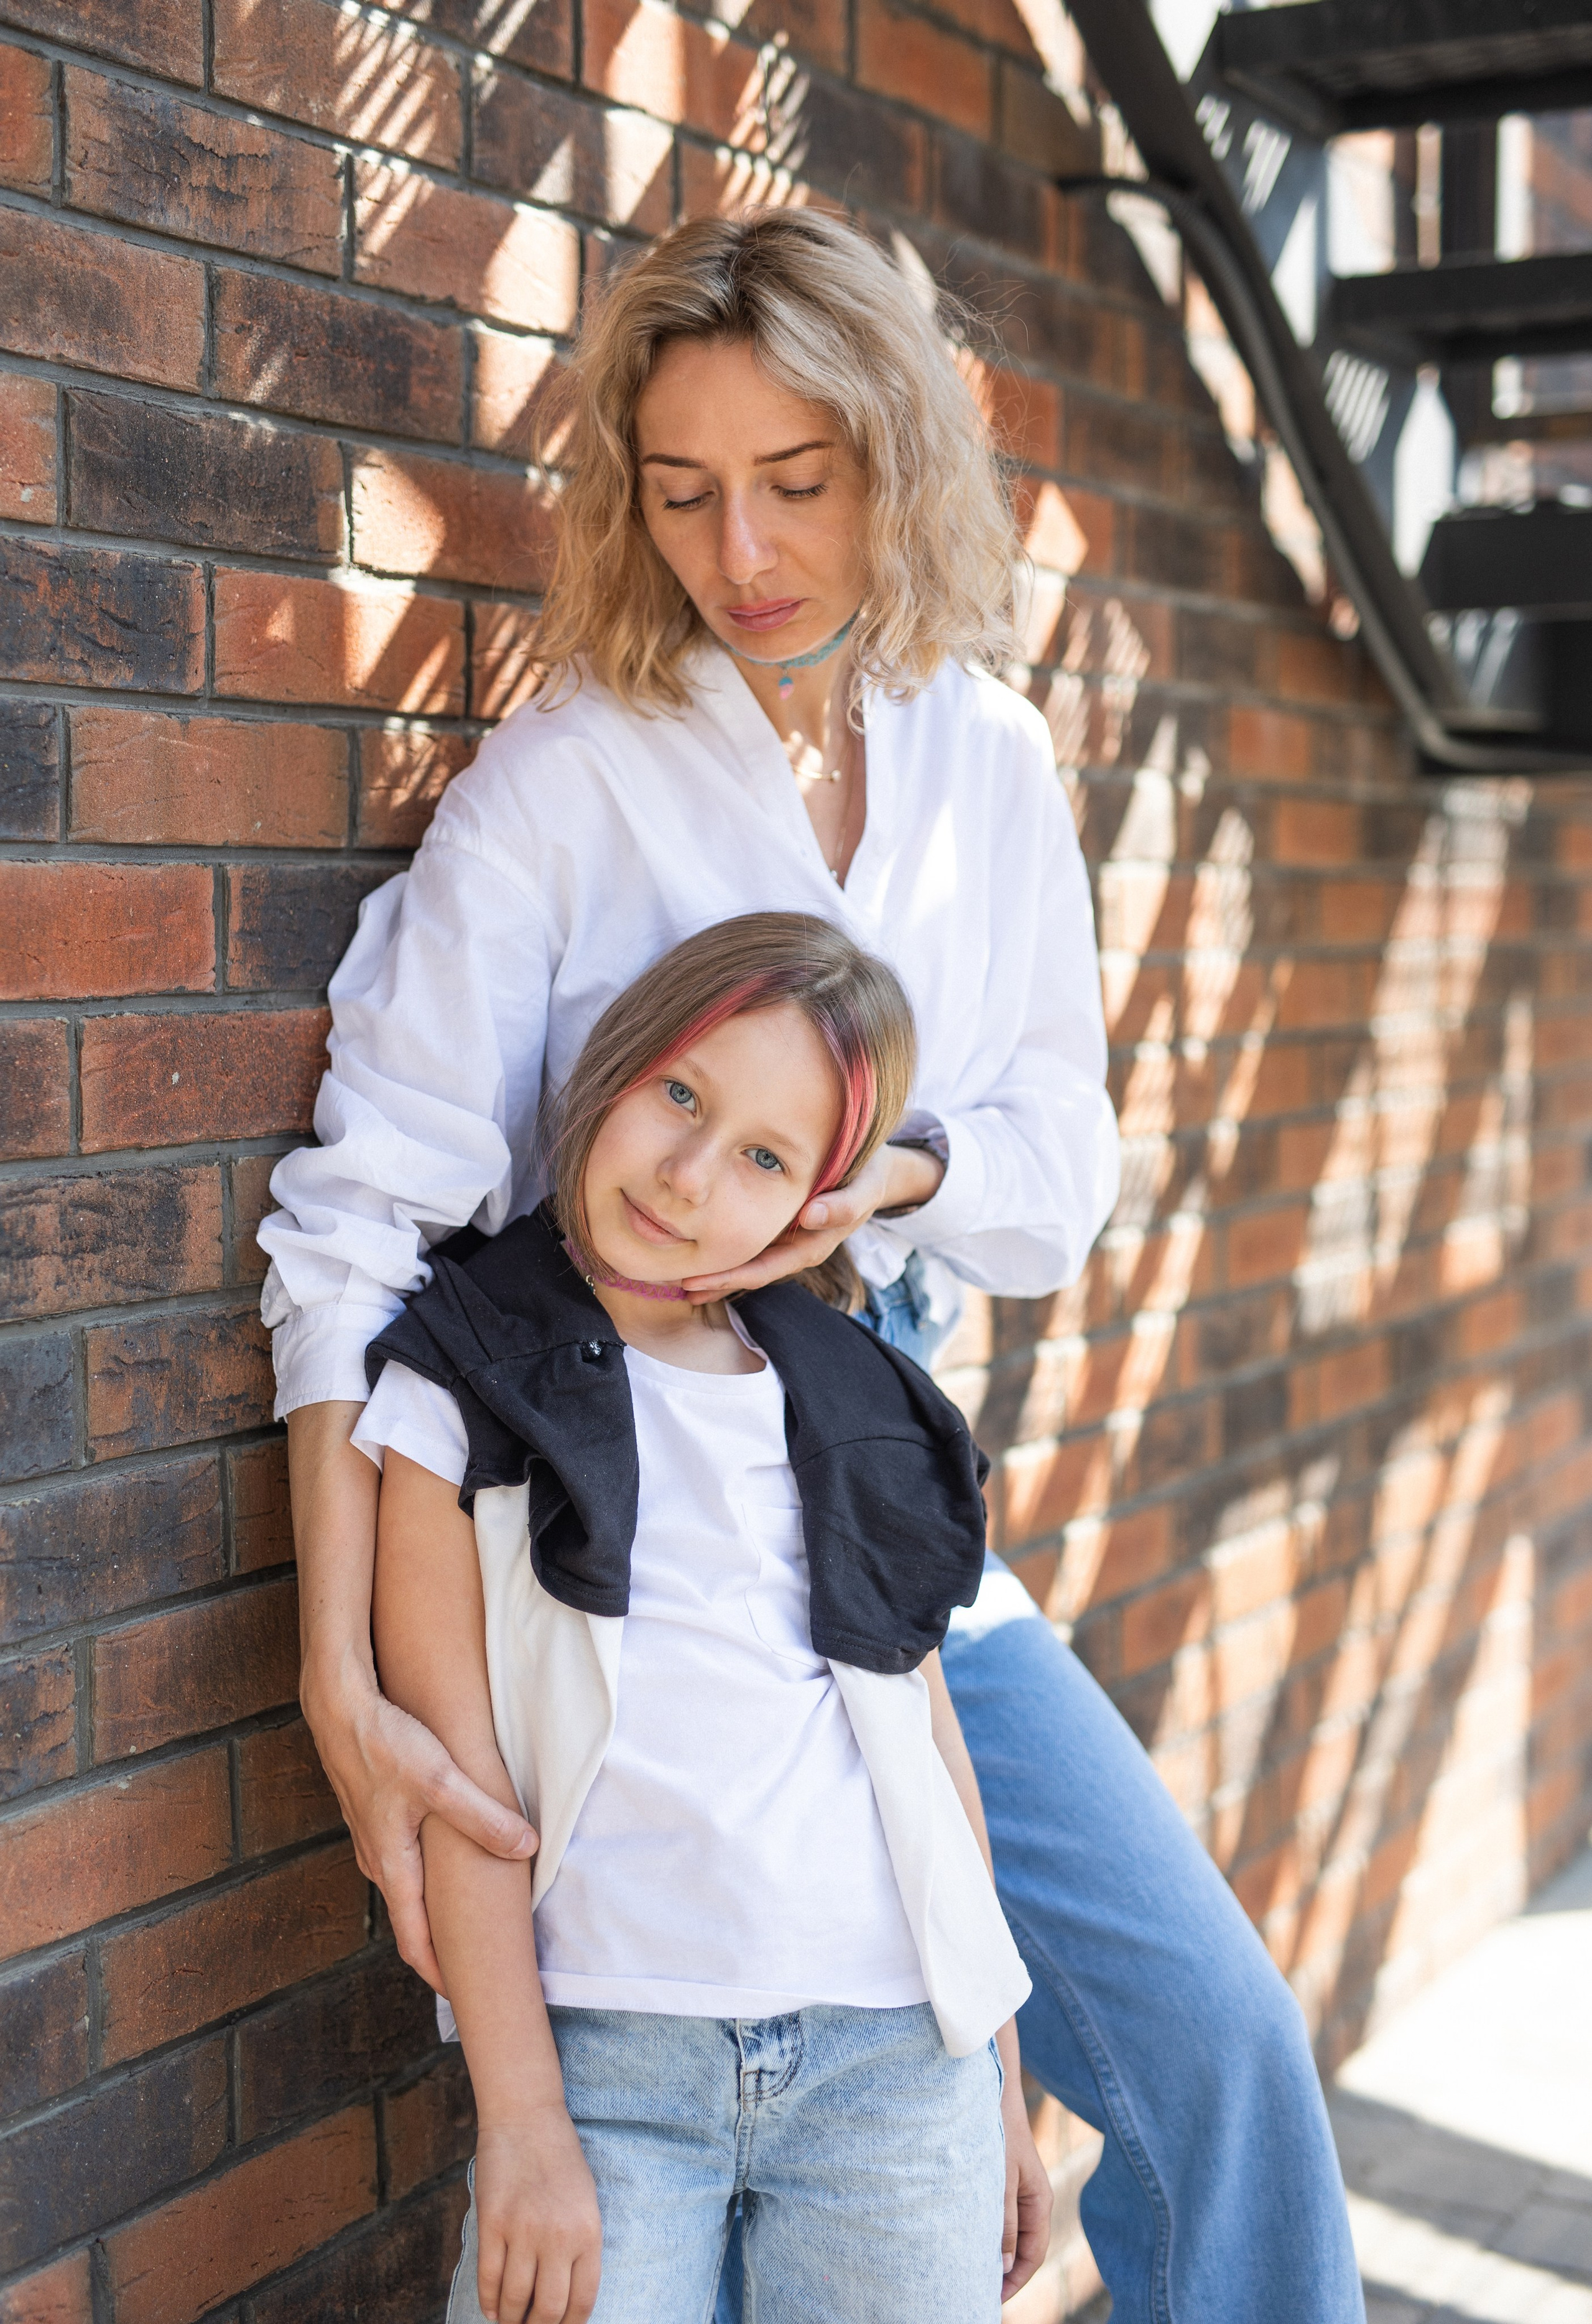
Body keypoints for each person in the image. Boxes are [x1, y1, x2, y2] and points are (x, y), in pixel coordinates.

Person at [263, 208, 1364, 2322]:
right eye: (683, 492)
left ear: (899, 452)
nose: (742, 546)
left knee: (1221, 2041)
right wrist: (341, 1664)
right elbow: (359, 1212)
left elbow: (1061, 1170)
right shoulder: (575, 771)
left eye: (799, 479)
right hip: (645, 1569)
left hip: (896, 1547)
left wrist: (889, 1164)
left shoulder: (992, 760)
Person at [366, 913, 1048, 2323]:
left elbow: (923, 1744)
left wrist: (1002, 2078)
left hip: (895, 2061)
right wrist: (525, 2120)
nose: (686, 1176)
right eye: (680, 1093)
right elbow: (463, 1792)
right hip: (610, 2074)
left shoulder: (852, 1393)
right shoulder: (458, 1376)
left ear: (816, 1203)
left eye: (761, 1155)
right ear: (613, 1065)